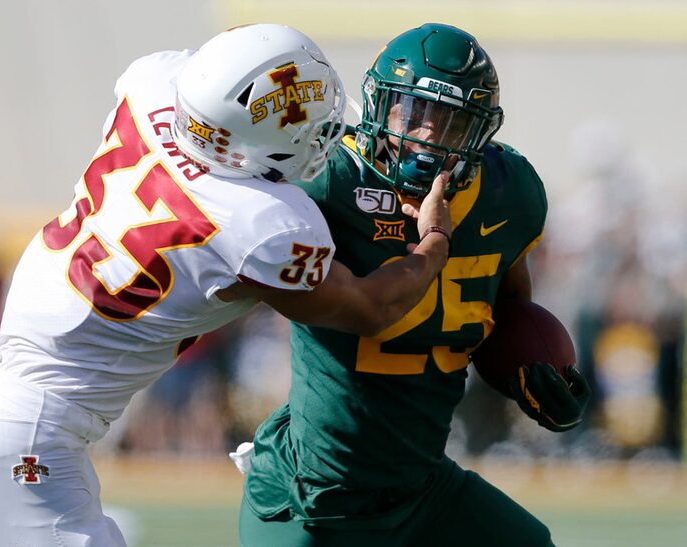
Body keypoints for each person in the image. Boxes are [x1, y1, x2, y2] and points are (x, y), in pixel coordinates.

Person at [0, 24, 453, 546]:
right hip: (27, 436)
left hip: (14, 405)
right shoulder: (261, 223)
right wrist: (432, 245)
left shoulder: (152, 85)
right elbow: (372, 308)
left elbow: (218, 73)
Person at [239, 23, 591, 546]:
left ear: (478, 133)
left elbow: (508, 306)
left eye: (448, 121)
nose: (426, 135)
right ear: (379, 105)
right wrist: (433, 243)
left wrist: (533, 374)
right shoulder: (330, 180)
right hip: (313, 498)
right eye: (414, 112)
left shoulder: (508, 193)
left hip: (421, 487)